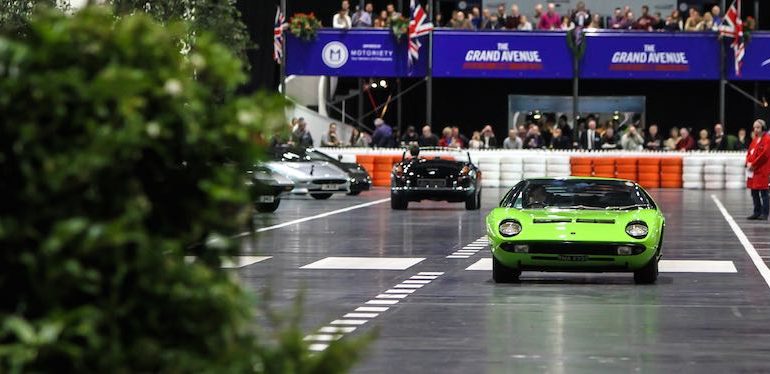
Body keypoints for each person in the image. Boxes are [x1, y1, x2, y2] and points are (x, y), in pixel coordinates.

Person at [746, 119, 770, 220]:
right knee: (754, 192)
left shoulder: (767, 139)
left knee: (764, 192)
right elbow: (749, 152)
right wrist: (747, 162)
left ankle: (765, 213)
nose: (755, 129)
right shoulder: (755, 140)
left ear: (763, 128)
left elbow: (764, 155)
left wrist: (753, 165)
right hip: (753, 170)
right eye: (754, 127)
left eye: (758, 127)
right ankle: (756, 212)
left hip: (762, 170)